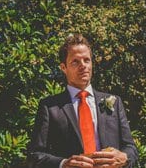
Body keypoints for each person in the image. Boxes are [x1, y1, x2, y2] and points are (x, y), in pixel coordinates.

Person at [28, 34, 138, 168]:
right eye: (75, 61)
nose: (83, 66)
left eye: (87, 60)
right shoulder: (50, 107)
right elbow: (35, 155)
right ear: (63, 67)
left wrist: (124, 158)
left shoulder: (115, 102)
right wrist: (63, 164)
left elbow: (130, 147)